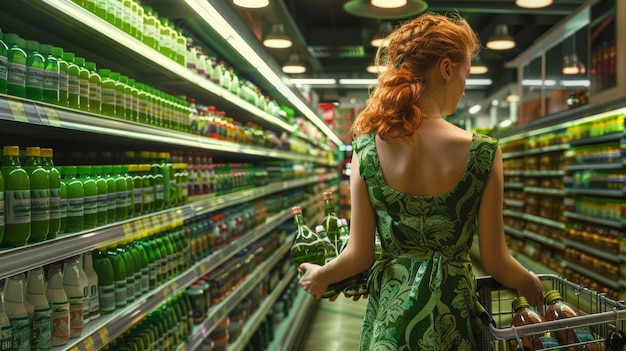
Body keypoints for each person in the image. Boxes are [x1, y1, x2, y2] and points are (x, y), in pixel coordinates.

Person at [297, 12, 545, 350]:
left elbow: (359, 255)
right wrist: (530, 283)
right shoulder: (483, 154)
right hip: (452, 320)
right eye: (466, 74)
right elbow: (496, 260)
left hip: (391, 322)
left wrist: (320, 275)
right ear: (446, 68)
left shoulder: (366, 150)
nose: (464, 85)